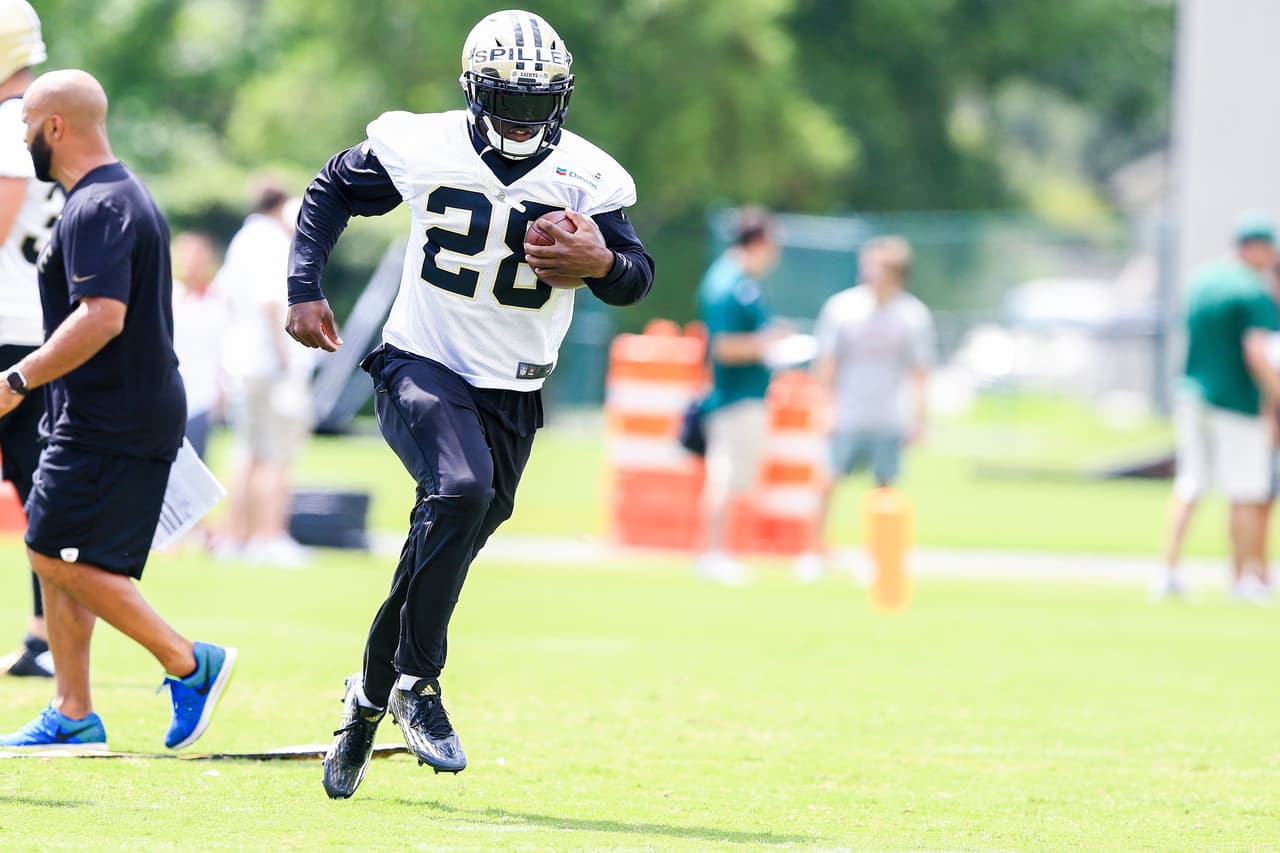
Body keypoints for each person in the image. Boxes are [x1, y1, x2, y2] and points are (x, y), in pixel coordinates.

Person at [285, 10, 654, 799]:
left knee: (437, 549)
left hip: (513, 388)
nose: (521, 119)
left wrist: (599, 259)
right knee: (458, 490)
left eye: (537, 101)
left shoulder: (590, 175)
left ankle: (364, 700)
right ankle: (419, 679)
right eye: (505, 100)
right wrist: (303, 287)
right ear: (472, 91)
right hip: (421, 361)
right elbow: (329, 191)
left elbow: (635, 275)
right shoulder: (425, 143)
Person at [0, 70, 235, 750]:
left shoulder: (99, 204)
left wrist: (16, 378)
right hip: (102, 410)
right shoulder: (107, 195)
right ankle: (74, 714)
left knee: (52, 548)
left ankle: (189, 662)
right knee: (59, 547)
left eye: (25, 129)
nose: (22, 141)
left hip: (113, 415)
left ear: (54, 128)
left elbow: (102, 317)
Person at [1156, 213, 1280, 603]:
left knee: (1189, 484)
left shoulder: (1202, 282)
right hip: (1235, 400)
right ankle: (1243, 580)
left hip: (1191, 393)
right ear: (1256, 248)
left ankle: (1169, 572)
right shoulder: (1252, 290)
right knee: (1246, 489)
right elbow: (1256, 352)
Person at [804, 236, 935, 582]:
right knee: (828, 481)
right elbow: (827, 364)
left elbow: (920, 373)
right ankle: (814, 551)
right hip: (847, 411)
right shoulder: (842, 308)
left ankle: (879, 557)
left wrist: (920, 419)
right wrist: (824, 406)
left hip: (888, 415)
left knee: (885, 492)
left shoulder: (912, 315)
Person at [0, 0, 59, 679]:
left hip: (8, 332)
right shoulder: (46, 118)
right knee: (37, 484)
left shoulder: (10, 125)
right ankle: (44, 635)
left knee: (37, 485)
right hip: (33, 328)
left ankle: (47, 636)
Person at [218, 186, 312, 566]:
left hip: (243, 361)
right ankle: (268, 537)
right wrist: (285, 357)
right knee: (276, 455)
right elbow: (272, 301)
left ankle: (234, 537)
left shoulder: (242, 240)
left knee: (249, 453)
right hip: (270, 364)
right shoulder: (271, 242)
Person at [694, 207, 785, 586]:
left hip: (746, 394)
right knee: (724, 476)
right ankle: (713, 553)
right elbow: (724, 347)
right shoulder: (727, 283)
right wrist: (770, 343)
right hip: (731, 396)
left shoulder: (741, 281)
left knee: (735, 479)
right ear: (759, 242)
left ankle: (723, 551)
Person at [171, 230, 225, 462]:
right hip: (169, 392)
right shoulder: (169, 294)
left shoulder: (218, 300)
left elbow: (224, 347)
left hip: (202, 396)